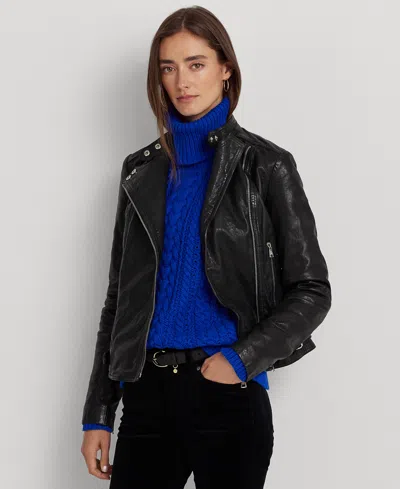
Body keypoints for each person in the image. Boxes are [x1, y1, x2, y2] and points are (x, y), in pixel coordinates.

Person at [80, 6, 332, 489]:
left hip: (228, 395)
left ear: (225, 69)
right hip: (147, 394)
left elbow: (312, 290)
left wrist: (241, 359)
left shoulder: (266, 166)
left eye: (196, 64)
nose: (182, 82)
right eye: (168, 68)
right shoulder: (140, 171)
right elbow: (120, 301)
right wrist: (99, 413)